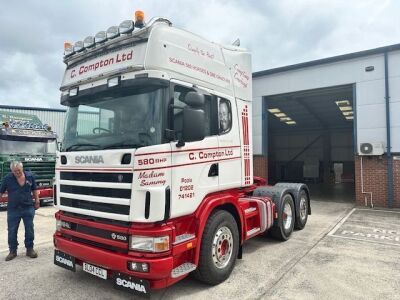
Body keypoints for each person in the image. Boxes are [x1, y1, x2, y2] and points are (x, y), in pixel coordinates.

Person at [0, 161, 39, 261]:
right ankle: (12, 251)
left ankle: (29, 249)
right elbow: (1, 191)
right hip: (13, 209)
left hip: (28, 207)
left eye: (18, 170)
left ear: (22, 168)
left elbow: (34, 189)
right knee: (12, 230)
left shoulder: (30, 176)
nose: (17, 172)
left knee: (29, 229)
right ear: (11, 171)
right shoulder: (7, 179)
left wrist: (37, 201)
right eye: (14, 171)